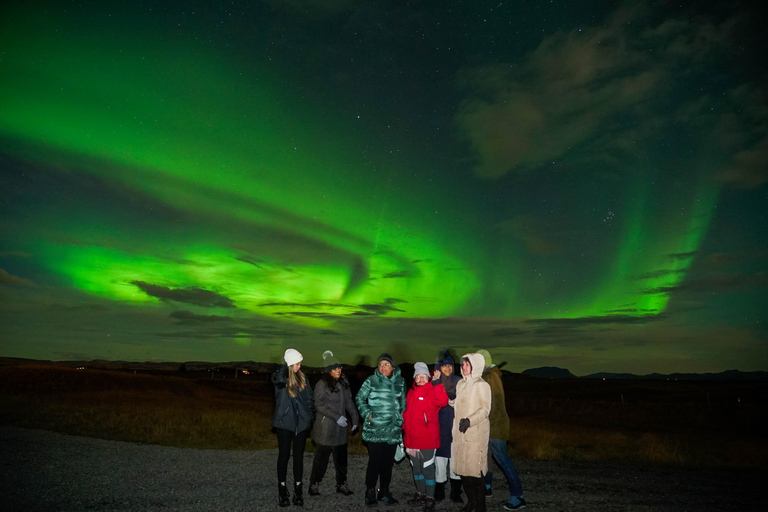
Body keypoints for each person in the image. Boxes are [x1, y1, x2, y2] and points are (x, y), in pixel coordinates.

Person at [476, 349, 526, 510]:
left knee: (503, 459)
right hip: (491, 425)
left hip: (495, 426)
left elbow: (493, 405)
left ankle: (518, 496)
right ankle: (487, 487)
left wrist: (485, 424)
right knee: (487, 459)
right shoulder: (489, 375)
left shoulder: (490, 377)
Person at [355, 353, 406, 506]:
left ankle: (384, 492)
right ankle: (370, 491)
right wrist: (368, 415)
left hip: (392, 430)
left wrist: (399, 419)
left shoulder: (400, 381)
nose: (383, 367)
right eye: (381, 364)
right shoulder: (371, 380)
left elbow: (403, 403)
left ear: (392, 366)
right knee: (375, 461)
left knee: (387, 463)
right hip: (375, 429)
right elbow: (359, 398)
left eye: (387, 364)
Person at [308, 350, 360, 497]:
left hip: (340, 430)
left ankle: (341, 485)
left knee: (341, 460)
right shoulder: (321, 384)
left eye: (339, 367)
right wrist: (336, 416)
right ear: (328, 369)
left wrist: (355, 418)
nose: (339, 369)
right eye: (335, 367)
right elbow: (318, 404)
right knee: (321, 459)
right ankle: (314, 484)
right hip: (326, 428)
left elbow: (349, 400)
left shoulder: (344, 381)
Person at [402, 362, 449, 511]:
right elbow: (406, 416)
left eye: (424, 376)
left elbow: (443, 401)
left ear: (428, 378)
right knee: (416, 470)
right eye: (418, 376)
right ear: (414, 378)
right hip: (411, 440)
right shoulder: (410, 393)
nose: (421, 379)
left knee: (428, 470)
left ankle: (430, 498)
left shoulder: (433, 390)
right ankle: (420, 494)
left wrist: (437, 383)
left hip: (428, 440)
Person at [272, 348, 315, 507]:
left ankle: (298, 490)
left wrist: (310, 417)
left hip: (301, 424)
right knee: (283, 456)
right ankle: (282, 490)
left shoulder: (303, 378)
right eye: (297, 363)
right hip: (284, 424)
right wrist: (286, 365)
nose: (300, 366)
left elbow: (310, 398)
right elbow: (277, 379)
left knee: (298, 458)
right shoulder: (281, 379)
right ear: (290, 364)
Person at [452, 353, 491, 512]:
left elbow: (485, 409)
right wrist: (451, 401)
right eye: (463, 364)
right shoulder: (461, 384)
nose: (464, 367)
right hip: (460, 434)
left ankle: (480, 507)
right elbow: (460, 402)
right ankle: (471, 502)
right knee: (464, 472)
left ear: (476, 366)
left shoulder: (482, 385)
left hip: (475, 435)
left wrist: (469, 420)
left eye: (468, 364)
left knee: (475, 473)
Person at [433, 349, 464, 503]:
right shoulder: (434, 383)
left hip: (455, 426)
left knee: (455, 460)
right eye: (444, 366)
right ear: (439, 367)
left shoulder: (459, 382)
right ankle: (439, 491)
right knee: (440, 461)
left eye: (450, 365)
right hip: (439, 427)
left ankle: (455, 492)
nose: (448, 368)